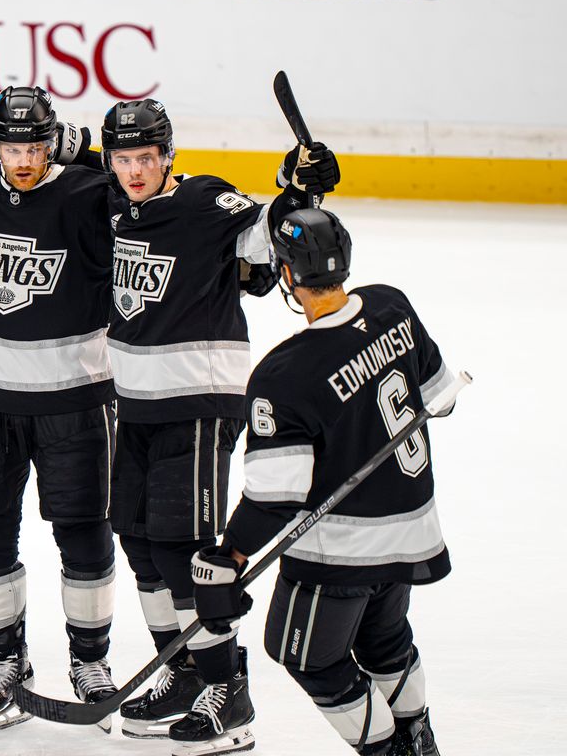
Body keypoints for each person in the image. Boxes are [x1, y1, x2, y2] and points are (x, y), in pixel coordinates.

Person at [100, 98, 341, 753]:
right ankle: (182, 674)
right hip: (137, 405)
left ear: (168, 156)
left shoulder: (207, 202)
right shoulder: (114, 204)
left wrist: (299, 184)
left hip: (200, 403)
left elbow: (271, 227)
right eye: (124, 159)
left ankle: (226, 689)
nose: (136, 170)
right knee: (137, 539)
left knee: (188, 548)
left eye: (146, 158)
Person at [191, 207, 454, 755]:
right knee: (385, 642)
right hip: (409, 529)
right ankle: (419, 741)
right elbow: (440, 396)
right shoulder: (392, 306)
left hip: (341, 549)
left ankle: (387, 751)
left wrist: (231, 556)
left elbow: (273, 498)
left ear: (287, 276)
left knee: (303, 654)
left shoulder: (285, 374)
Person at [0, 86, 118, 733]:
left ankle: (90, 662)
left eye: (37, 147)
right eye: (13, 147)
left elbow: (144, 187)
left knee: (82, 529)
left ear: (54, 144)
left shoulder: (85, 190)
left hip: (74, 397)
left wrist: (85, 148)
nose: (24, 159)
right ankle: (6, 662)